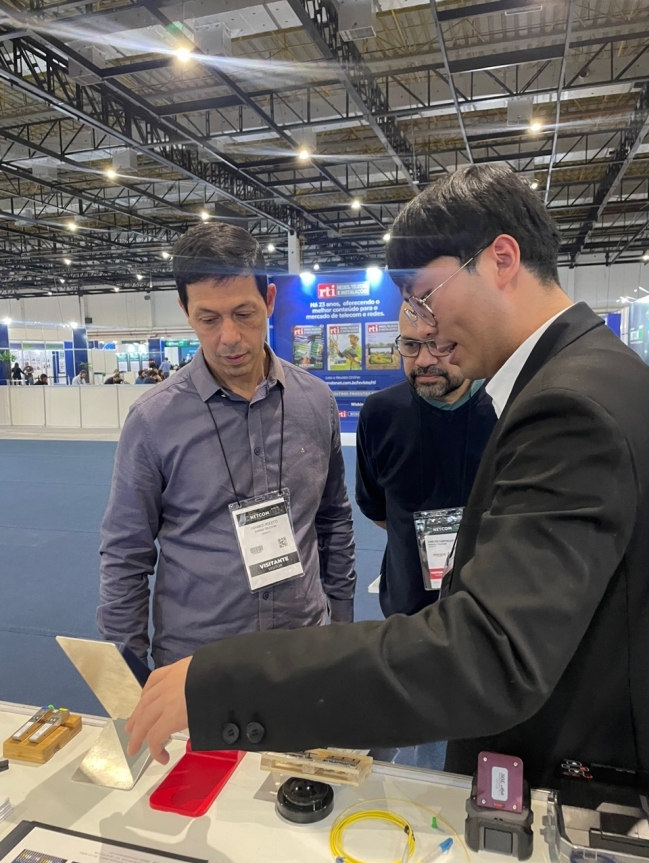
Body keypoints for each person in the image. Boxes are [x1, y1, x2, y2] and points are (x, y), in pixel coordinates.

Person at [125, 164, 649, 788]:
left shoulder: (568, 405)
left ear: (502, 260)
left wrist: (227, 682)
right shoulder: (598, 373)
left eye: (425, 296)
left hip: (580, 762)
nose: (424, 327)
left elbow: (488, 653)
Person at [99, 222, 356, 668]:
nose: (230, 337)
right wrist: (129, 675)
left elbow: (333, 519)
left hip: (303, 651)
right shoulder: (153, 420)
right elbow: (126, 555)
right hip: (197, 662)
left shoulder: (316, 401)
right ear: (185, 310)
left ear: (269, 301)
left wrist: (343, 627)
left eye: (244, 313)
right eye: (209, 319)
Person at [356, 302, 496, 618]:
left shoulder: (508, 407)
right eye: (411, 345)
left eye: (440, 345)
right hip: (408, 611)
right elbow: (376, 507)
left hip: (491, 609)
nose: (423, 360)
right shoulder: (380, 413)